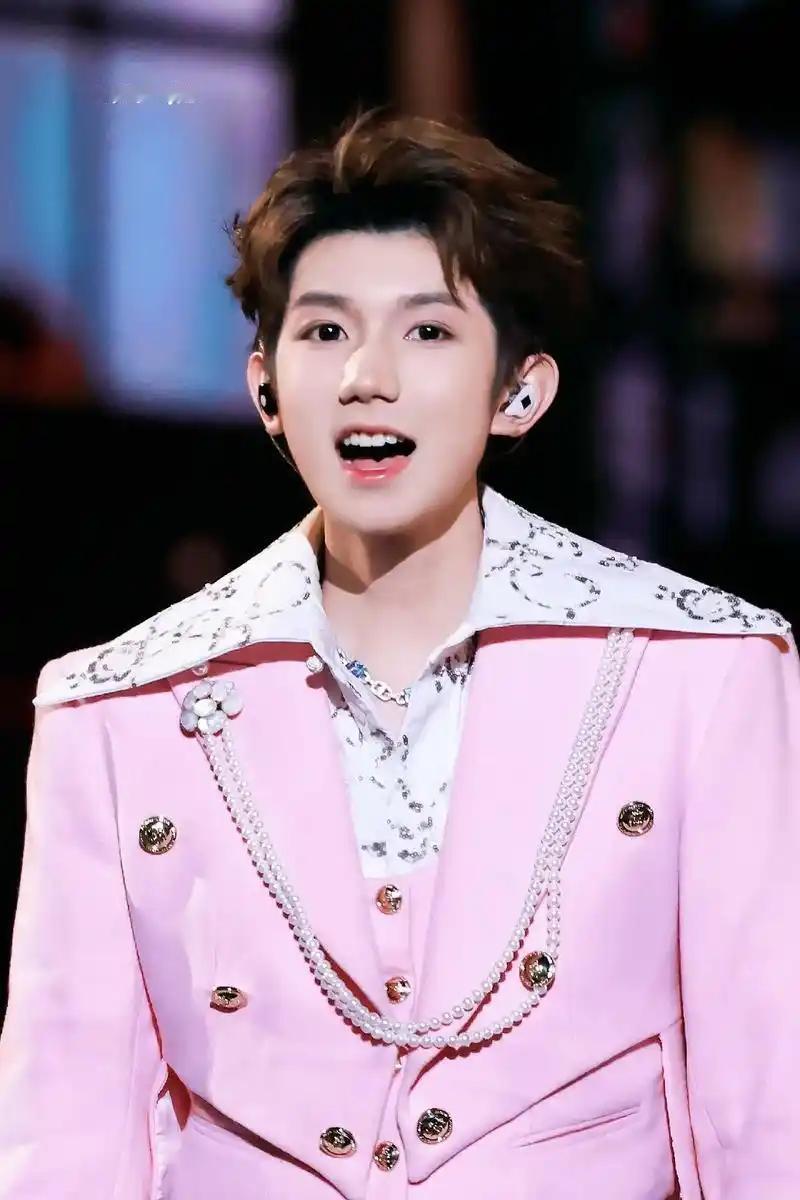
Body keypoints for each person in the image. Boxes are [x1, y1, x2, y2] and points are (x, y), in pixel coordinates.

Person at [0, 108, 797, 1200]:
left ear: (518, 390)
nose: (367, 377)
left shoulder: (694, 669)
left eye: (426, 332)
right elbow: (66, 1133)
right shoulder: (118, 708)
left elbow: (764, 1111)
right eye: (325, 332)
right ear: (265, 390)